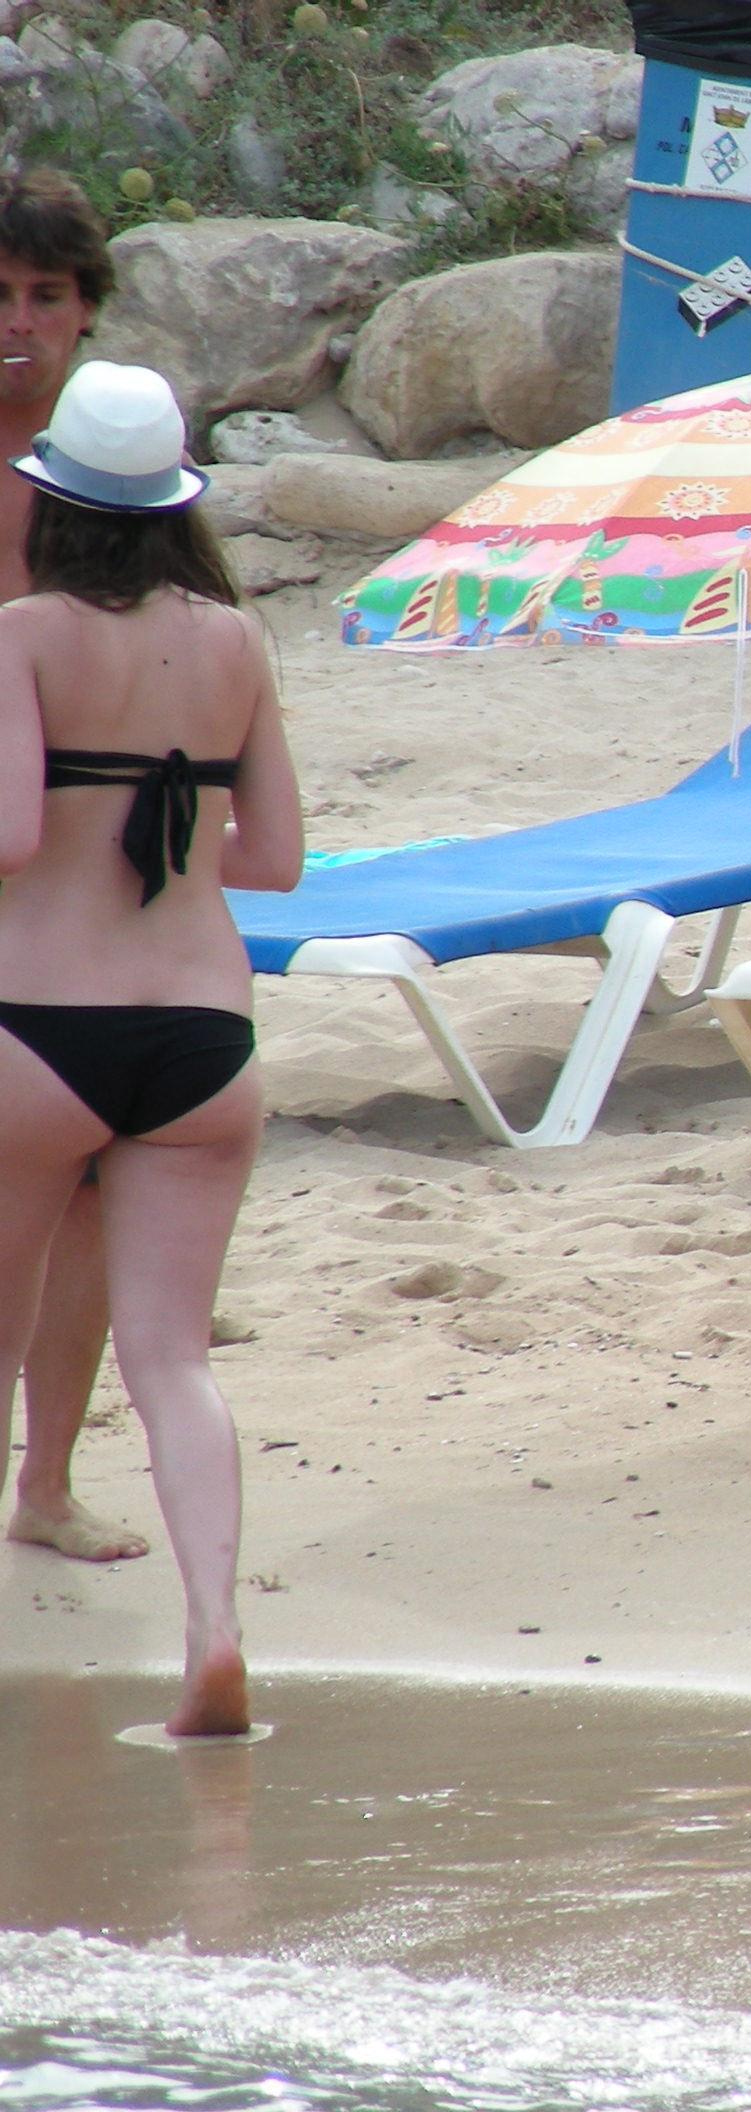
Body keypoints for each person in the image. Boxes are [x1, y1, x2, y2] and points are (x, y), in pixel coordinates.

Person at [0, 359, 302, 1735]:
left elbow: (11, 835)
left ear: (53, 499)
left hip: (39, 1027)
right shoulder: (236, 644)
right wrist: (161, 829)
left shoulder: (23, 634)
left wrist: (82, 823)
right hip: (204, 1036)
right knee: (174, 1360)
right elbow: (274, 859)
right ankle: (214, 1631)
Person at [0, 170, 143, 1565]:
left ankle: (45, 1483)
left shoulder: (118, 468)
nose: (18, 323)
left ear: (86, 310)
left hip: (85, 872)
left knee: (87, 1178)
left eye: (45, 296)